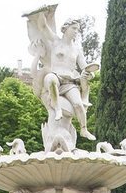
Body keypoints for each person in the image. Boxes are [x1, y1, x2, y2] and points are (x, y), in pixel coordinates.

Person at [26, 10, 96, 141]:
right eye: (74, 28)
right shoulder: (55, 42)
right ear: (66, 28)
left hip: (70, 82)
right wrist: (41, 12)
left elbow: (85, 68)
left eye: (77, 29)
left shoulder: (77, 50)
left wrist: (89, 74)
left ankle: (84, 129)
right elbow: (43, 27)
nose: (76, 31)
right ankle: (57, 108)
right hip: (56, 76)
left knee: (78, 105)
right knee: (50, 79)